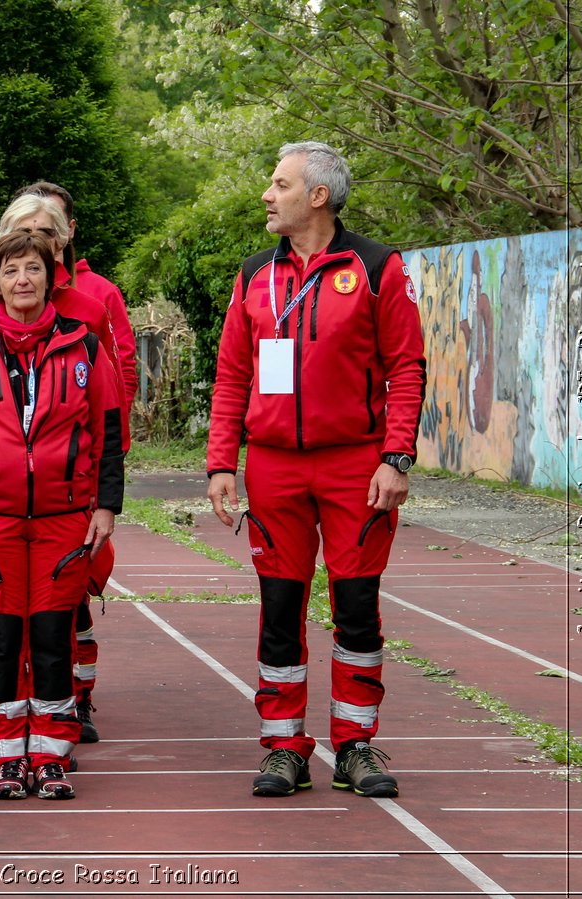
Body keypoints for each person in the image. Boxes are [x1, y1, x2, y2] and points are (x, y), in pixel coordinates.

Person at [206, 141, 425, 799]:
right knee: (280, 608)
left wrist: (396, 455)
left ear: (318, 196)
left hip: (356, 466)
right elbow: (232, 374)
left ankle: (355, 744)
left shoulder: (378, 267)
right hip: (274, 468)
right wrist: (223, 463)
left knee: (356, 609)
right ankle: (284, 748)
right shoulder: (252, 275)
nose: (267, 195)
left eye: (279, 184)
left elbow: (407, 366)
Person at [0, 230, 124, 801]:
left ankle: (50, 753)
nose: (23, 279)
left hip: (65, 521)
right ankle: (5, 755)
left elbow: (108, 431)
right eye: (11, 270)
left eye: (33, 270)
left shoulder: (85, 346)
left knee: (52, 639)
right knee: (1, 637)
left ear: (50, 279)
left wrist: (107, 506)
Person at [11, 180, 138, 744]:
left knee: (72, 596)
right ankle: (15, 704)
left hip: (74, 482)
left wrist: (107, 471)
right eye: (25, 232)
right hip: (7, 491)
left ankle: (72, 700)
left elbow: (117, 385)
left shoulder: (95, 302)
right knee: (12, 606)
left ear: (63, 240)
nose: (36, 243)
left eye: (46, 232)